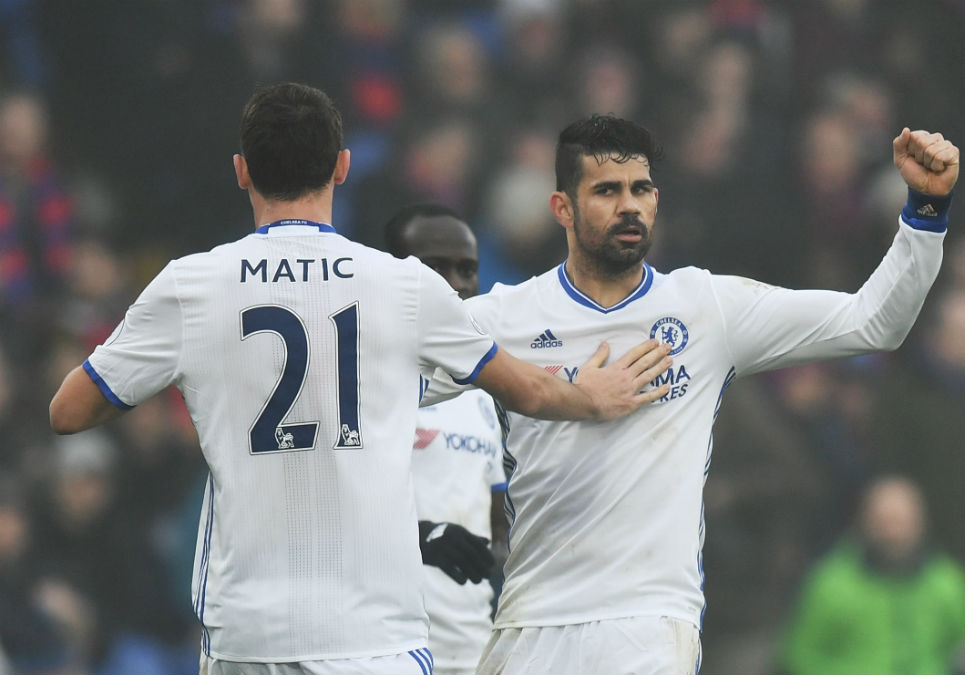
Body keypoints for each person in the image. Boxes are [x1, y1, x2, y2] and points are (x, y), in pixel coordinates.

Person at [46, 83, 672, 675]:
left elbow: (67, 410)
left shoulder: (192, 287)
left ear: (242, 170)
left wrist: (194, 379)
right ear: (342, 167)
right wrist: (593, 399)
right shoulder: (404, 286)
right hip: (375, 637)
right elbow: (528, 391)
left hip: (248, 630)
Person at [421, 114, 958, 674]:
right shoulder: (503, 318)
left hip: (648, 626)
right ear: (563, 208)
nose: (630, 205)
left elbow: (873, 324)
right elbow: (378, 391)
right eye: (606, 190)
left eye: (642, 189)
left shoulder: (705, 309)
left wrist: (925, 212)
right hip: (531, 621)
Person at [384, 203, 507, 675]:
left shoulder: (483, 393)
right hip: (386, 648)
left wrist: (498, 554)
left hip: (472, 653)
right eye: (435, 267)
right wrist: (423, 538)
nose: (456, 282)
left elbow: (496, 524)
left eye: (467, 268)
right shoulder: (362, 383)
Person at [777, 476, 965, 675]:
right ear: (865, 522)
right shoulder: (832, 584)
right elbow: (800, 656)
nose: (893, 531)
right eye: (884, 520)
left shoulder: (948, 583)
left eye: (902, 520)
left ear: (920, 522)